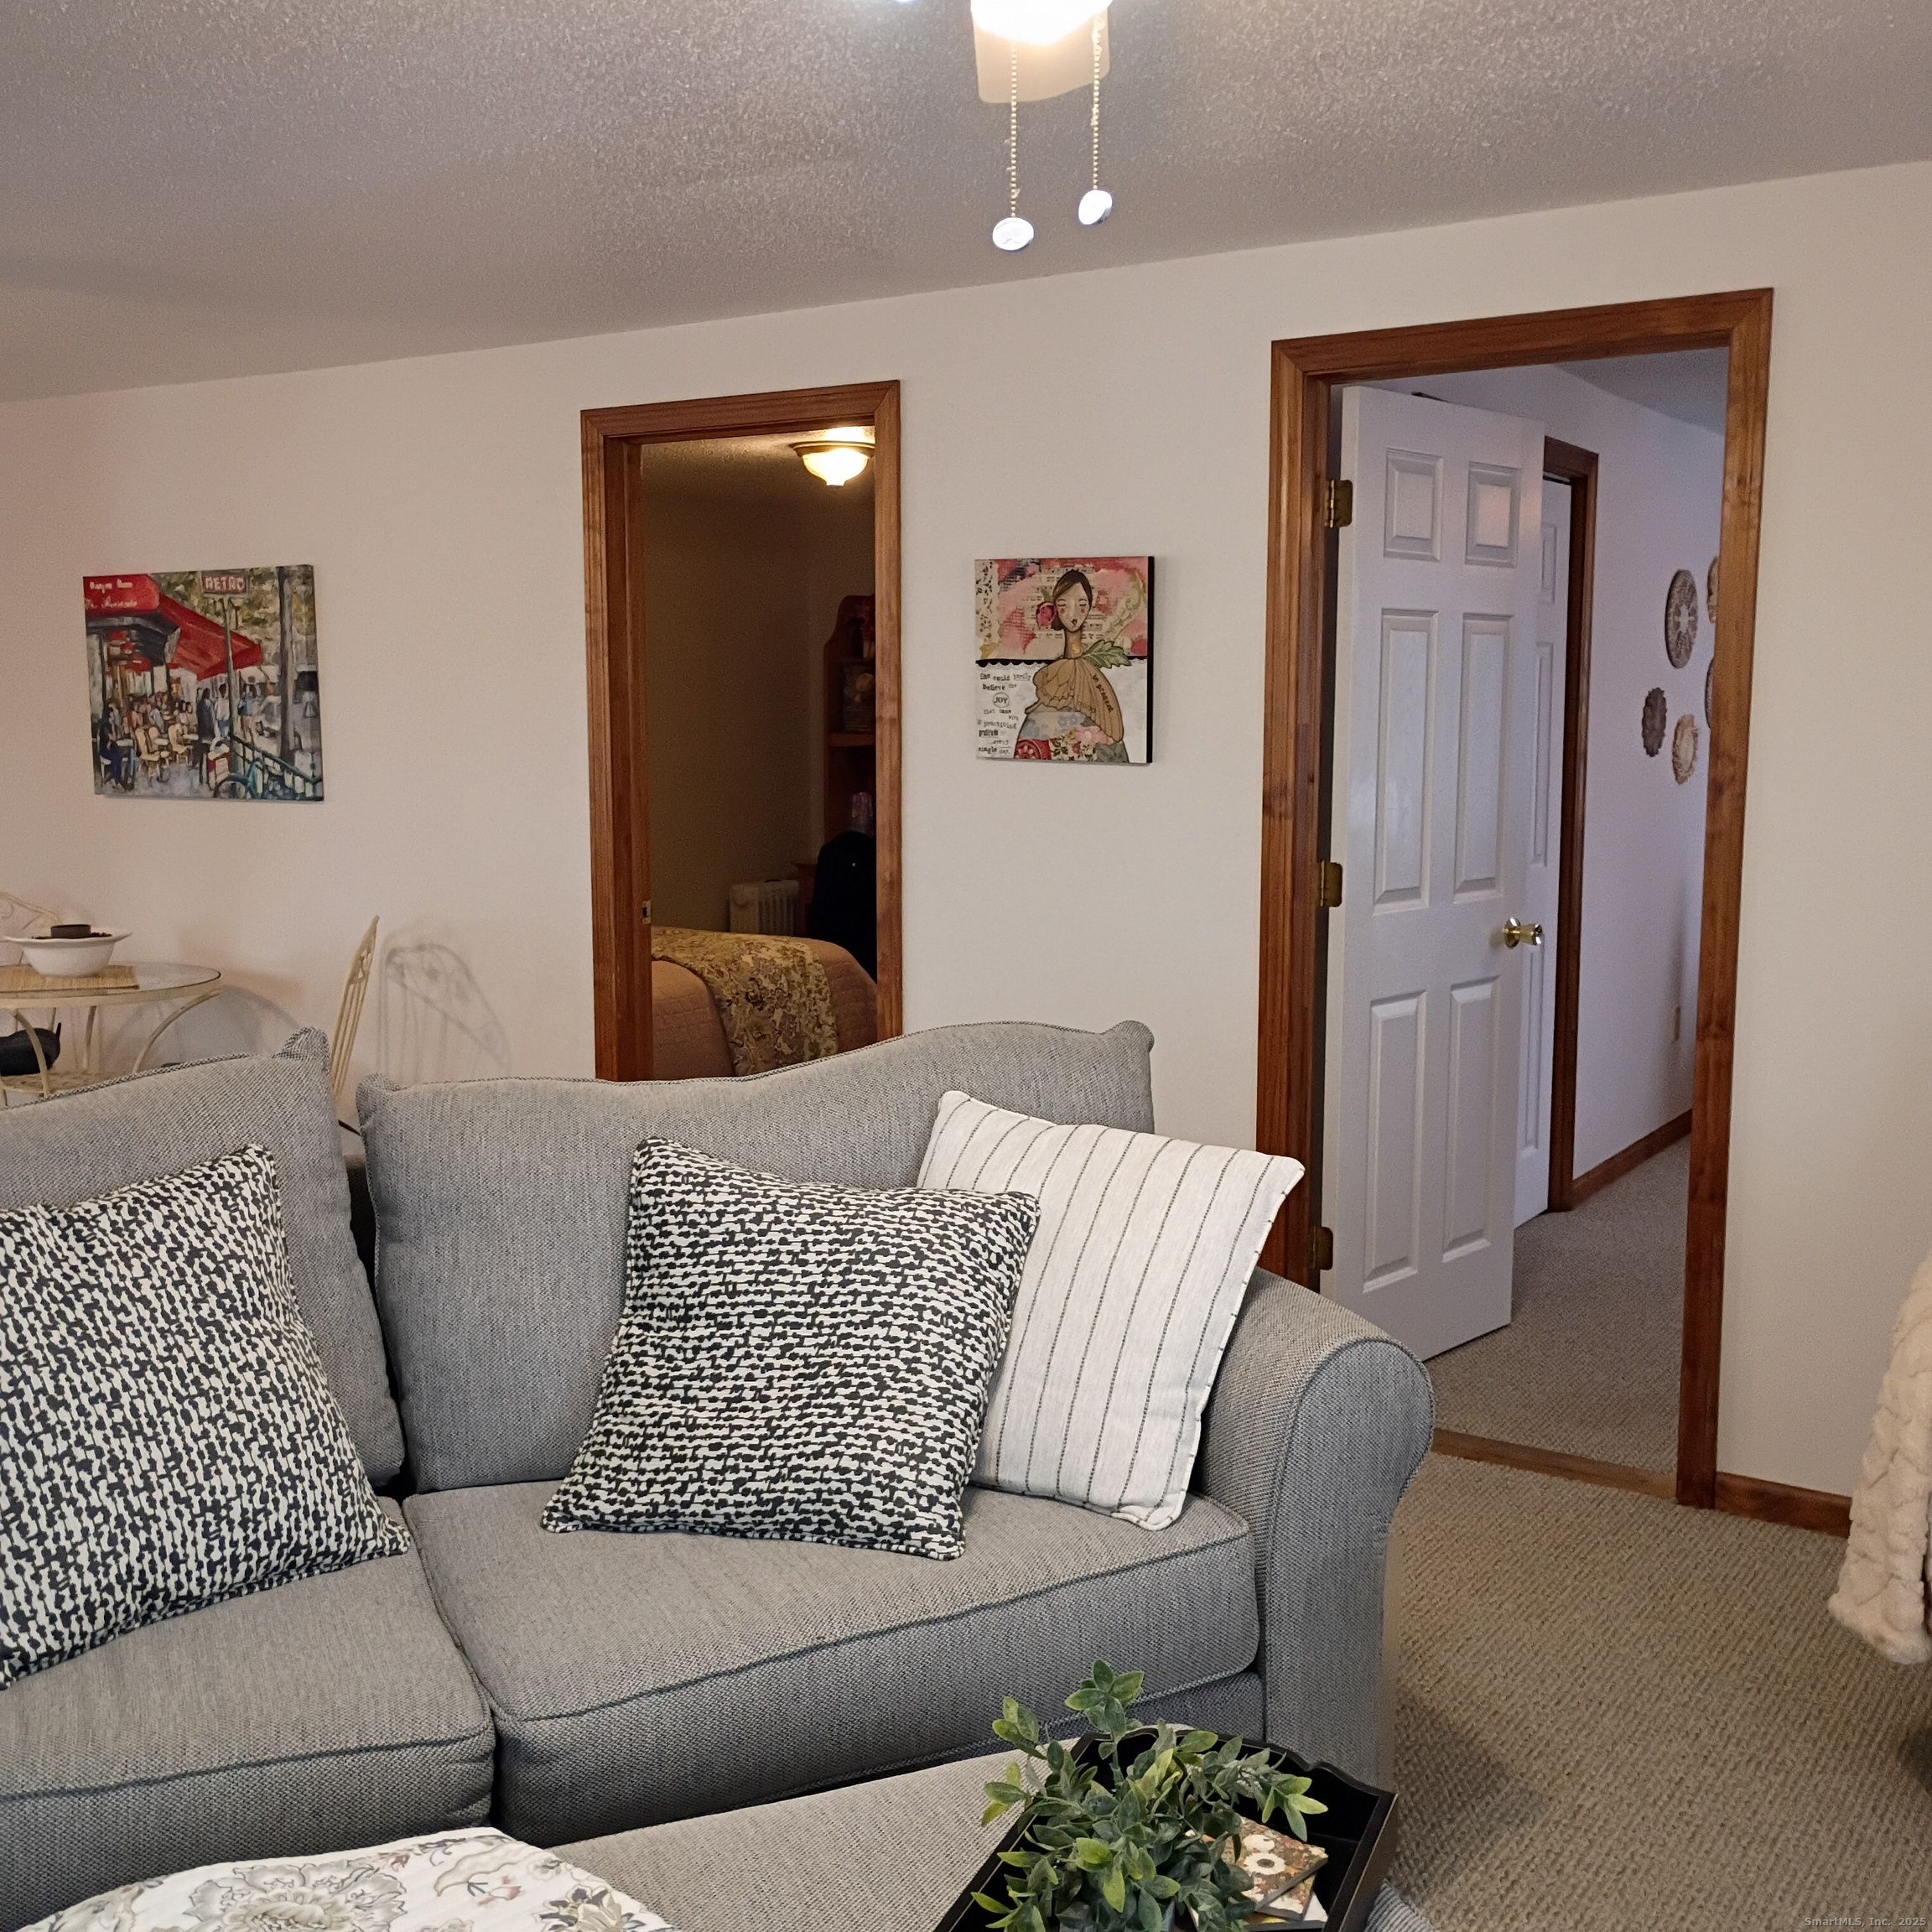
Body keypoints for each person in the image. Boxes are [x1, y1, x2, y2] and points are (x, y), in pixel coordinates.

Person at [1014, 569, 1129, 763]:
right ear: (1055, 609)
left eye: (1082, 605)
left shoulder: (1089, 675)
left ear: (1090, 607)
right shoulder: (1057, 671)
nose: (1074, 614)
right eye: (1064, 605)